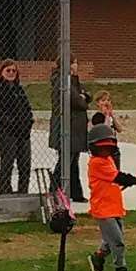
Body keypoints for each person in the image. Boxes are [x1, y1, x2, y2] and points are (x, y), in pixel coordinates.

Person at [86, 121, 136, 271]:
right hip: (103, 209)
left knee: (111, 241)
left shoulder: (108, 159)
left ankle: (97, 257)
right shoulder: (96, 163)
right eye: (101, 148)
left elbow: (114, 175)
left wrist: (130, 180)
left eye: (108, 148)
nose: (105, 151)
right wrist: (132, 180)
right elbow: (117, 177)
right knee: (118, 242)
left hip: (114, 206)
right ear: (94, 148)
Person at [0, 60, 34, 195]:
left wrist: (29, 121)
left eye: (14, 70)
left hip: (22, 132)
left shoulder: (19, 89)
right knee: (8, 162)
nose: (11, 73)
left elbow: (27, 108)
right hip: (5, 131)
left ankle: (23, 192)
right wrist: (9, 121)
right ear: (2, 72)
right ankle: (5, 193)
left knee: (25, 164)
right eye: (8, 70)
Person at [49, 59, 91, 202]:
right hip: (68, 128)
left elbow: (86, 95)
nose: (76, 65)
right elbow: (78, 101)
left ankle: (75, 192)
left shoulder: (72, 80)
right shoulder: (62, 82)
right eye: (74, 62)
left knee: (73, 162)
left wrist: (84, 96)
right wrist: (82, 98)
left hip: (75, 129)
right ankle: (53, 191)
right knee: (65, 161)